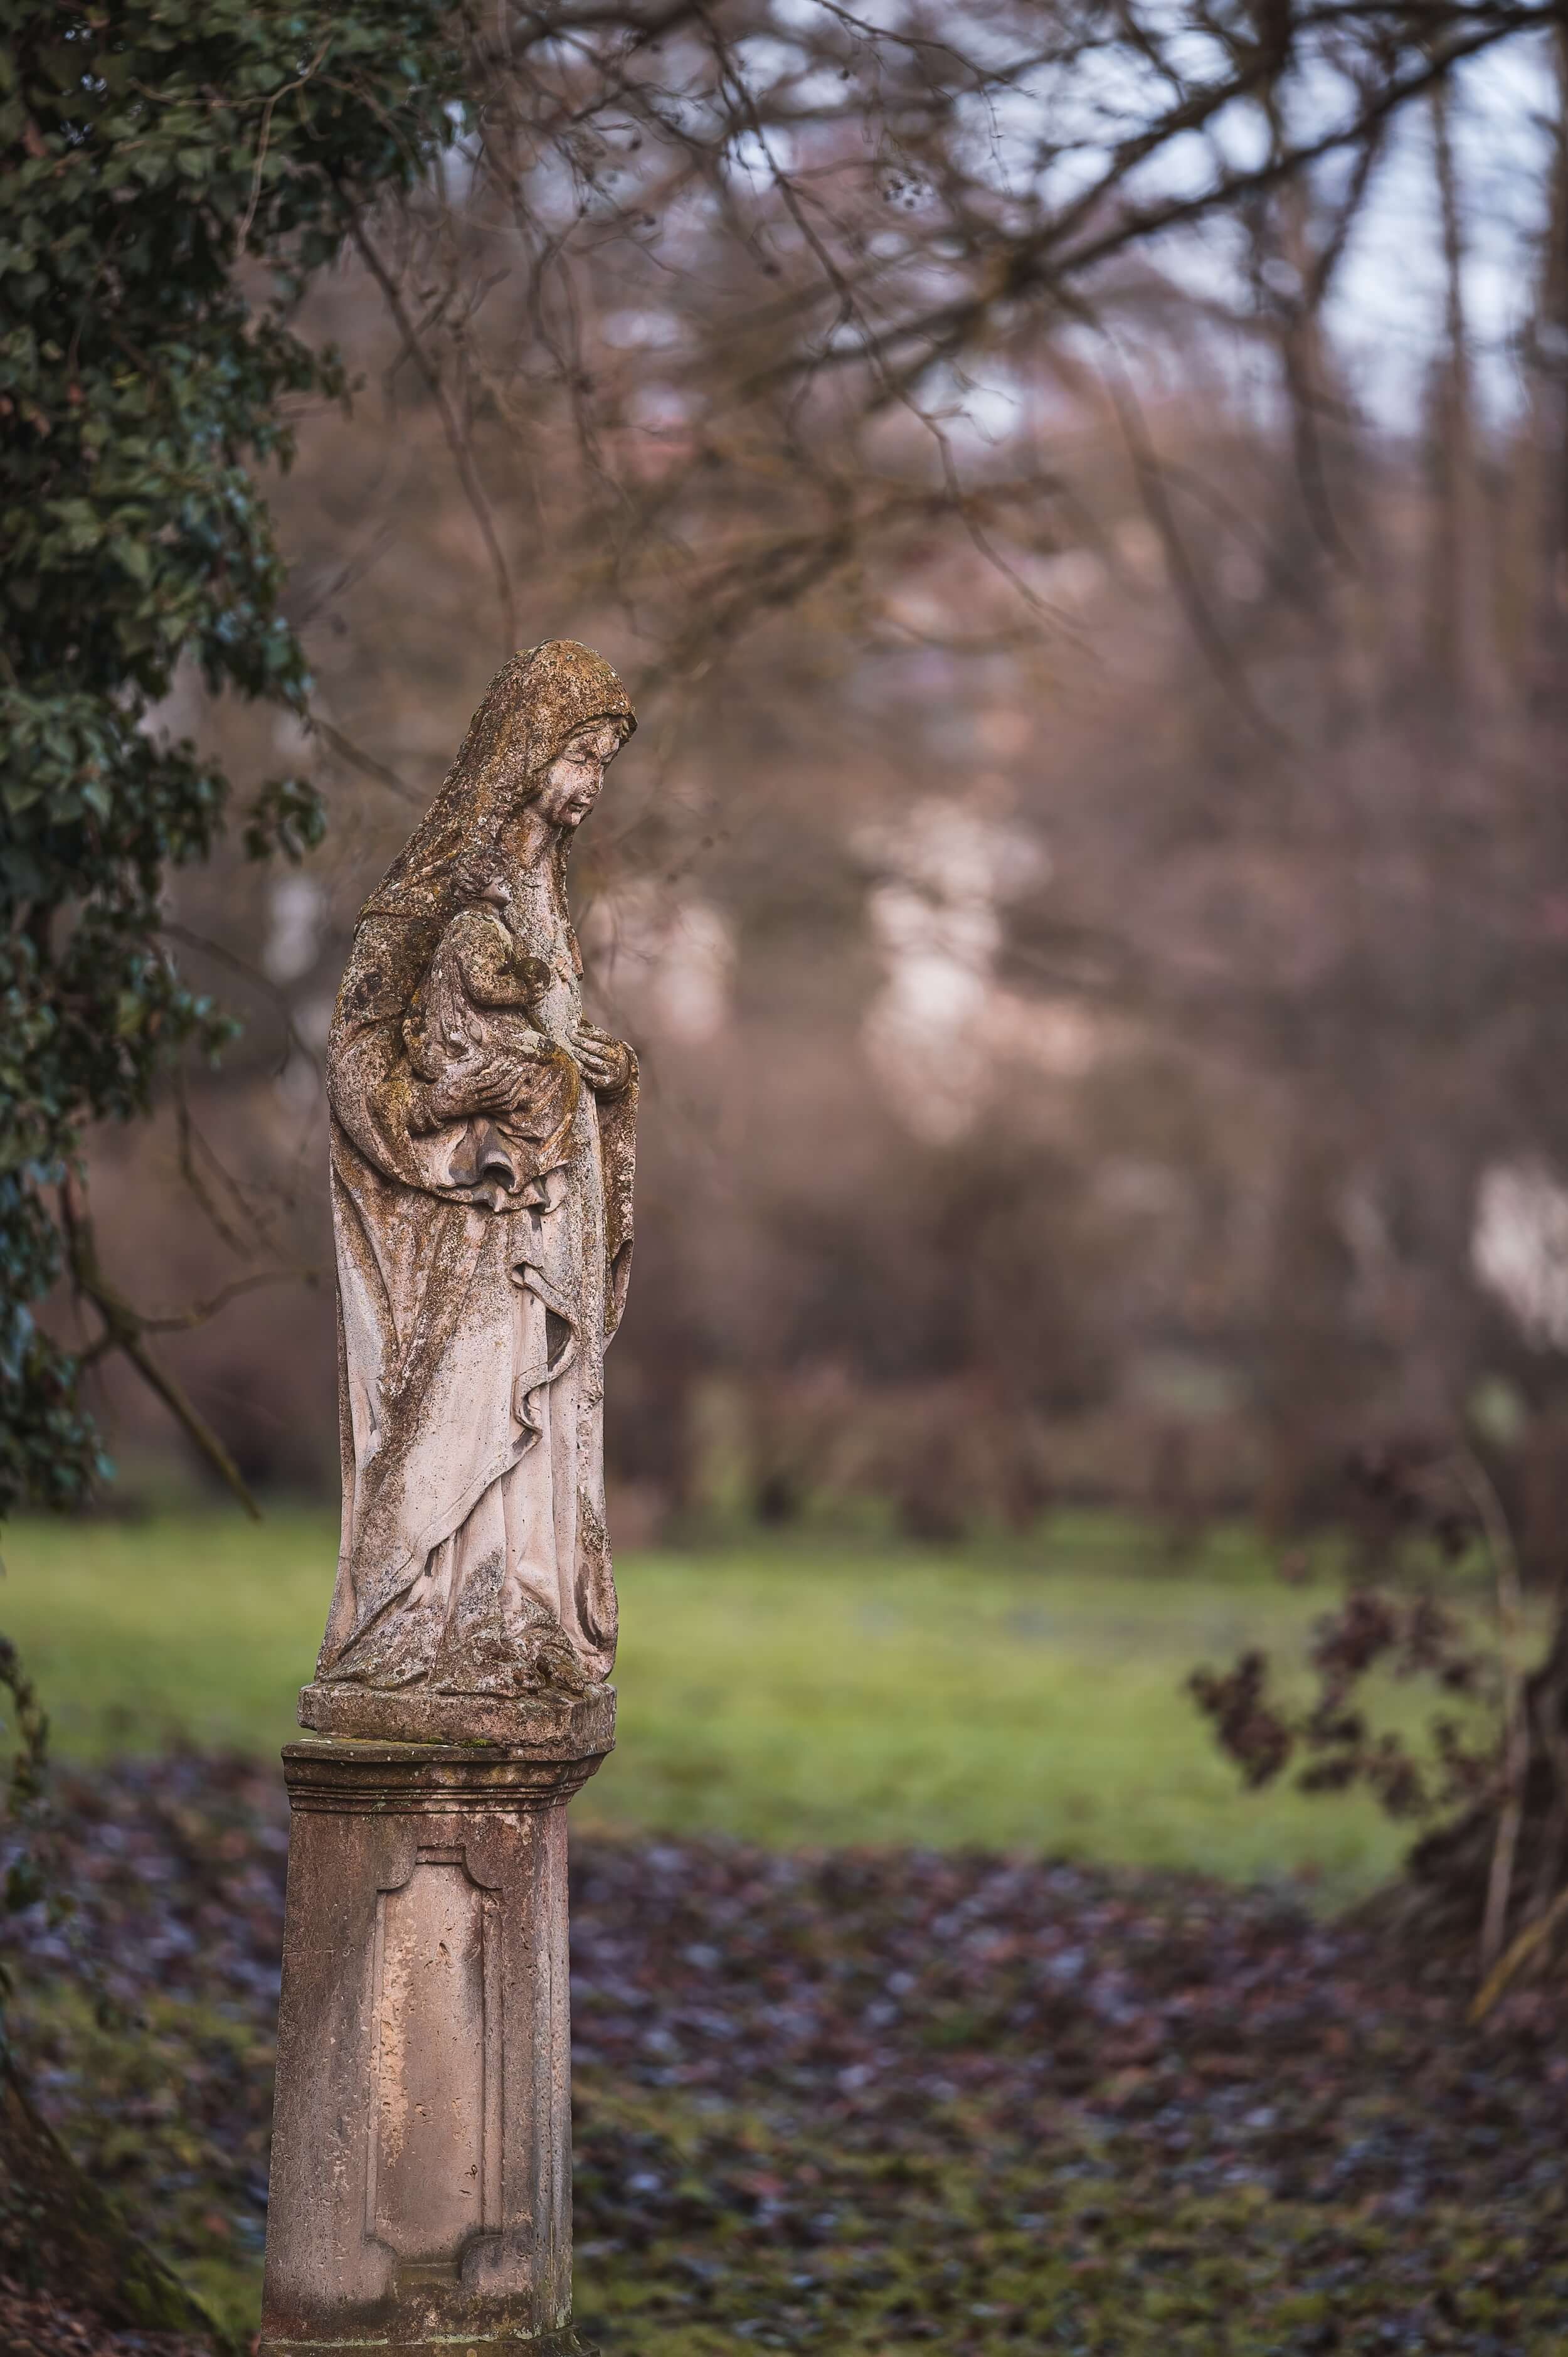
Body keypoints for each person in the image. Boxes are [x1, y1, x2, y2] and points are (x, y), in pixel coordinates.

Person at [314, 641, 637, 1705]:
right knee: (457, 1413)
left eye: (603, 764)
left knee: (532, 1418)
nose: (591, 786)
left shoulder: (546, 899)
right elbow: (360, 1049)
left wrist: (609, 1076)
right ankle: (415, 1615)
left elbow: (549, 1040)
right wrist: (434, 1116)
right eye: (579, 757)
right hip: (471, 1212)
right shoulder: (435, 894)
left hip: (546, 1215)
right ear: (527, 750)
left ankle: (515, 1613)